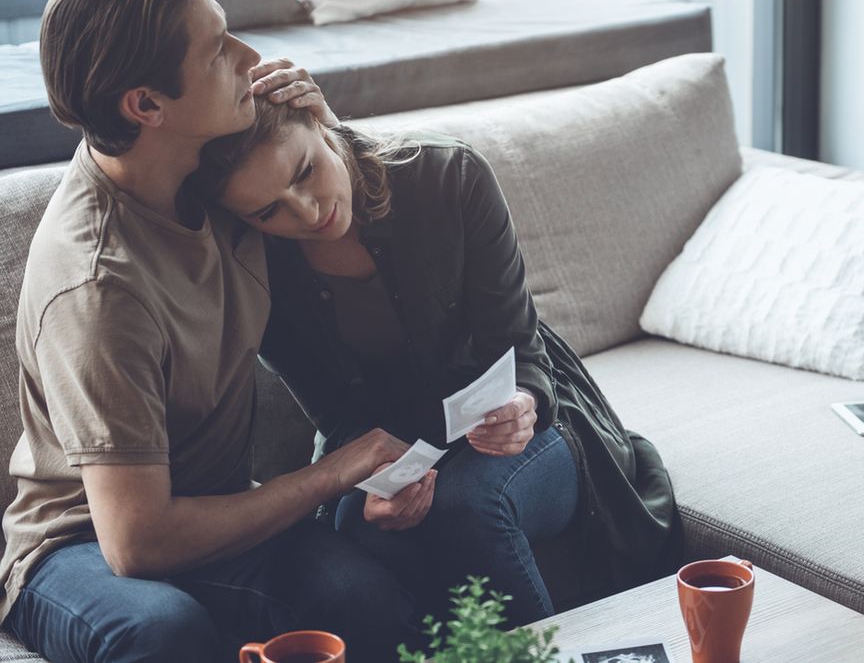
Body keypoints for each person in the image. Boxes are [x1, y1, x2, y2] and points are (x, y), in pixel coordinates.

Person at [1, 0, 425, 660]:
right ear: (147, 105)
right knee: (164, 629)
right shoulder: (99, 283)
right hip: (79, 543)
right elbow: (137, 543)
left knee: (363, 595)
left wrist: (325, 130)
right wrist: (335, 471)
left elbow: (371, 222)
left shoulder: (218, 174)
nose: (248, 56)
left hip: (217, 507)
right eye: (217, 49)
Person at [188, 96, 683, 626]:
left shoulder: (447, 175)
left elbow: (523, 354)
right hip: (392, 441)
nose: (307, 211)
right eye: (269, 211)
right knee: (361, 532)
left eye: (306, 171)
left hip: (531, 419)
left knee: (469, 505)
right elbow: (336, 417)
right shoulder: (257, 269)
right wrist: (375, 487)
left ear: (319, 122)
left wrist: (523, 404)